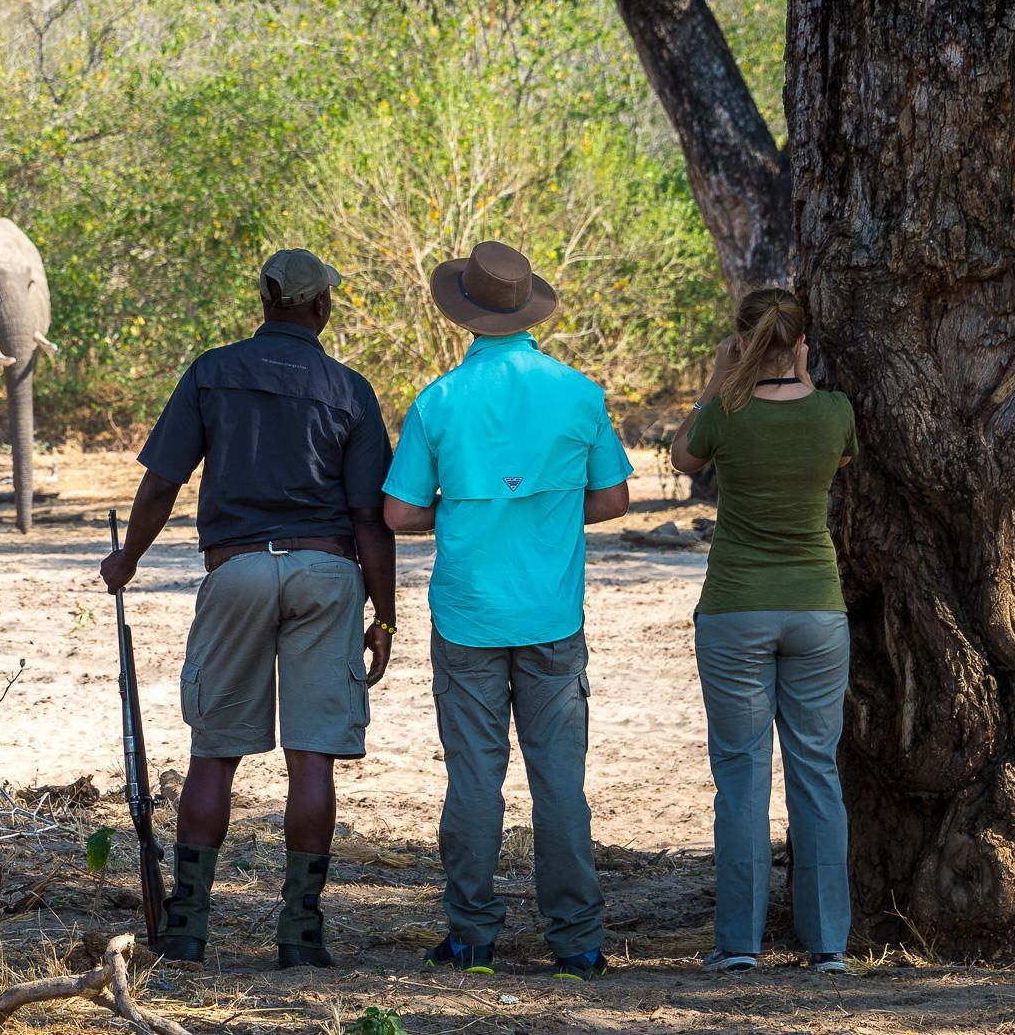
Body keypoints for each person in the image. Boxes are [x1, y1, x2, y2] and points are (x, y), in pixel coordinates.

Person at [100, 248, 398, 969]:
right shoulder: (351, 389)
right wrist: (384, 615)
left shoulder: (211, 371)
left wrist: (127, 558)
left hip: (235, 570)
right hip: (327, 572)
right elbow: (369, 518)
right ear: (321, 307)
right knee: (312, 757)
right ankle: (301, 932)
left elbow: (161, 485)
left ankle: (189, 926)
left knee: (215, 751)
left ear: (263, 300)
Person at [382, 240, 631, 982]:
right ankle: (578, 944)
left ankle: (470, 938)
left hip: (467, 617)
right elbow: (615, 499)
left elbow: (397, 513)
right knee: (559, 784)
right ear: (528, 310)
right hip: (553, 616)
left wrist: (456, 514)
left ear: (464, 314)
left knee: (473, 780)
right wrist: (549, 509)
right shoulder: (579, 393)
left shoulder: (439, 401)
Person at [669, 288, 856, 976]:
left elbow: (683, 457)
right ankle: (828, 944)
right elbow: (831, 458)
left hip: (735, 610)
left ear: (743, 342)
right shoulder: (835, 412)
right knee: (816, 775)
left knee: (742, 776)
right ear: (803, 340)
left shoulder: (725, 415)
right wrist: (798, 372)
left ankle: (739, 945)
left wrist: (723, 376)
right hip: (816, 609)